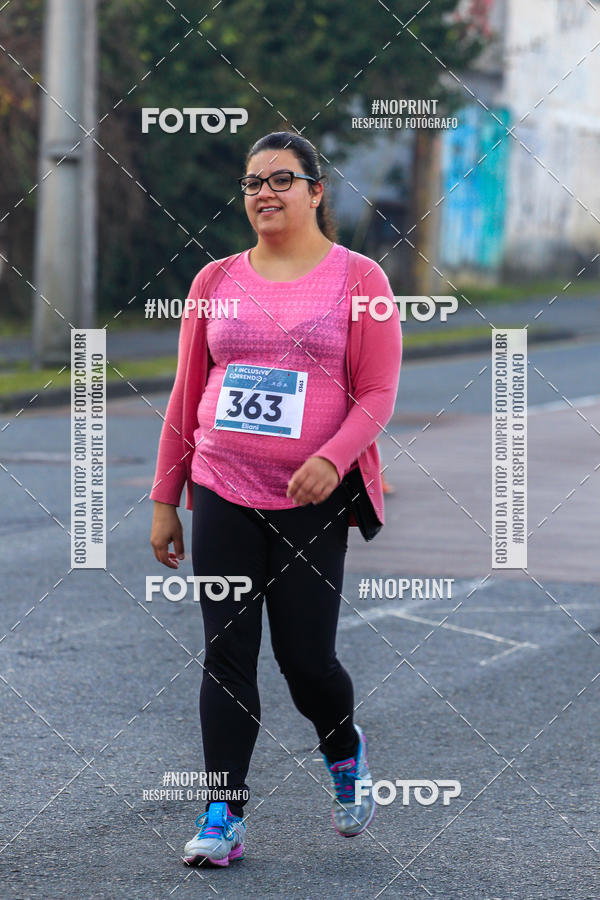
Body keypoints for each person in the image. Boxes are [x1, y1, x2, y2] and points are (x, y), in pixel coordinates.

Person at [150, 131, 402, 867]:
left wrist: (333, 456)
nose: (263, 192)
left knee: (306, 661)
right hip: (222, 485)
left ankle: (345, 749)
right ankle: (223, 814)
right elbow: (186, 393)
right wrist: (169, 497)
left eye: (282, 179)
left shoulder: (361, 281)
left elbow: (380, 391)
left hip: (312, 500)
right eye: (253, 181)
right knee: (227, 654)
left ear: (317, 191)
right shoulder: (214, 280)